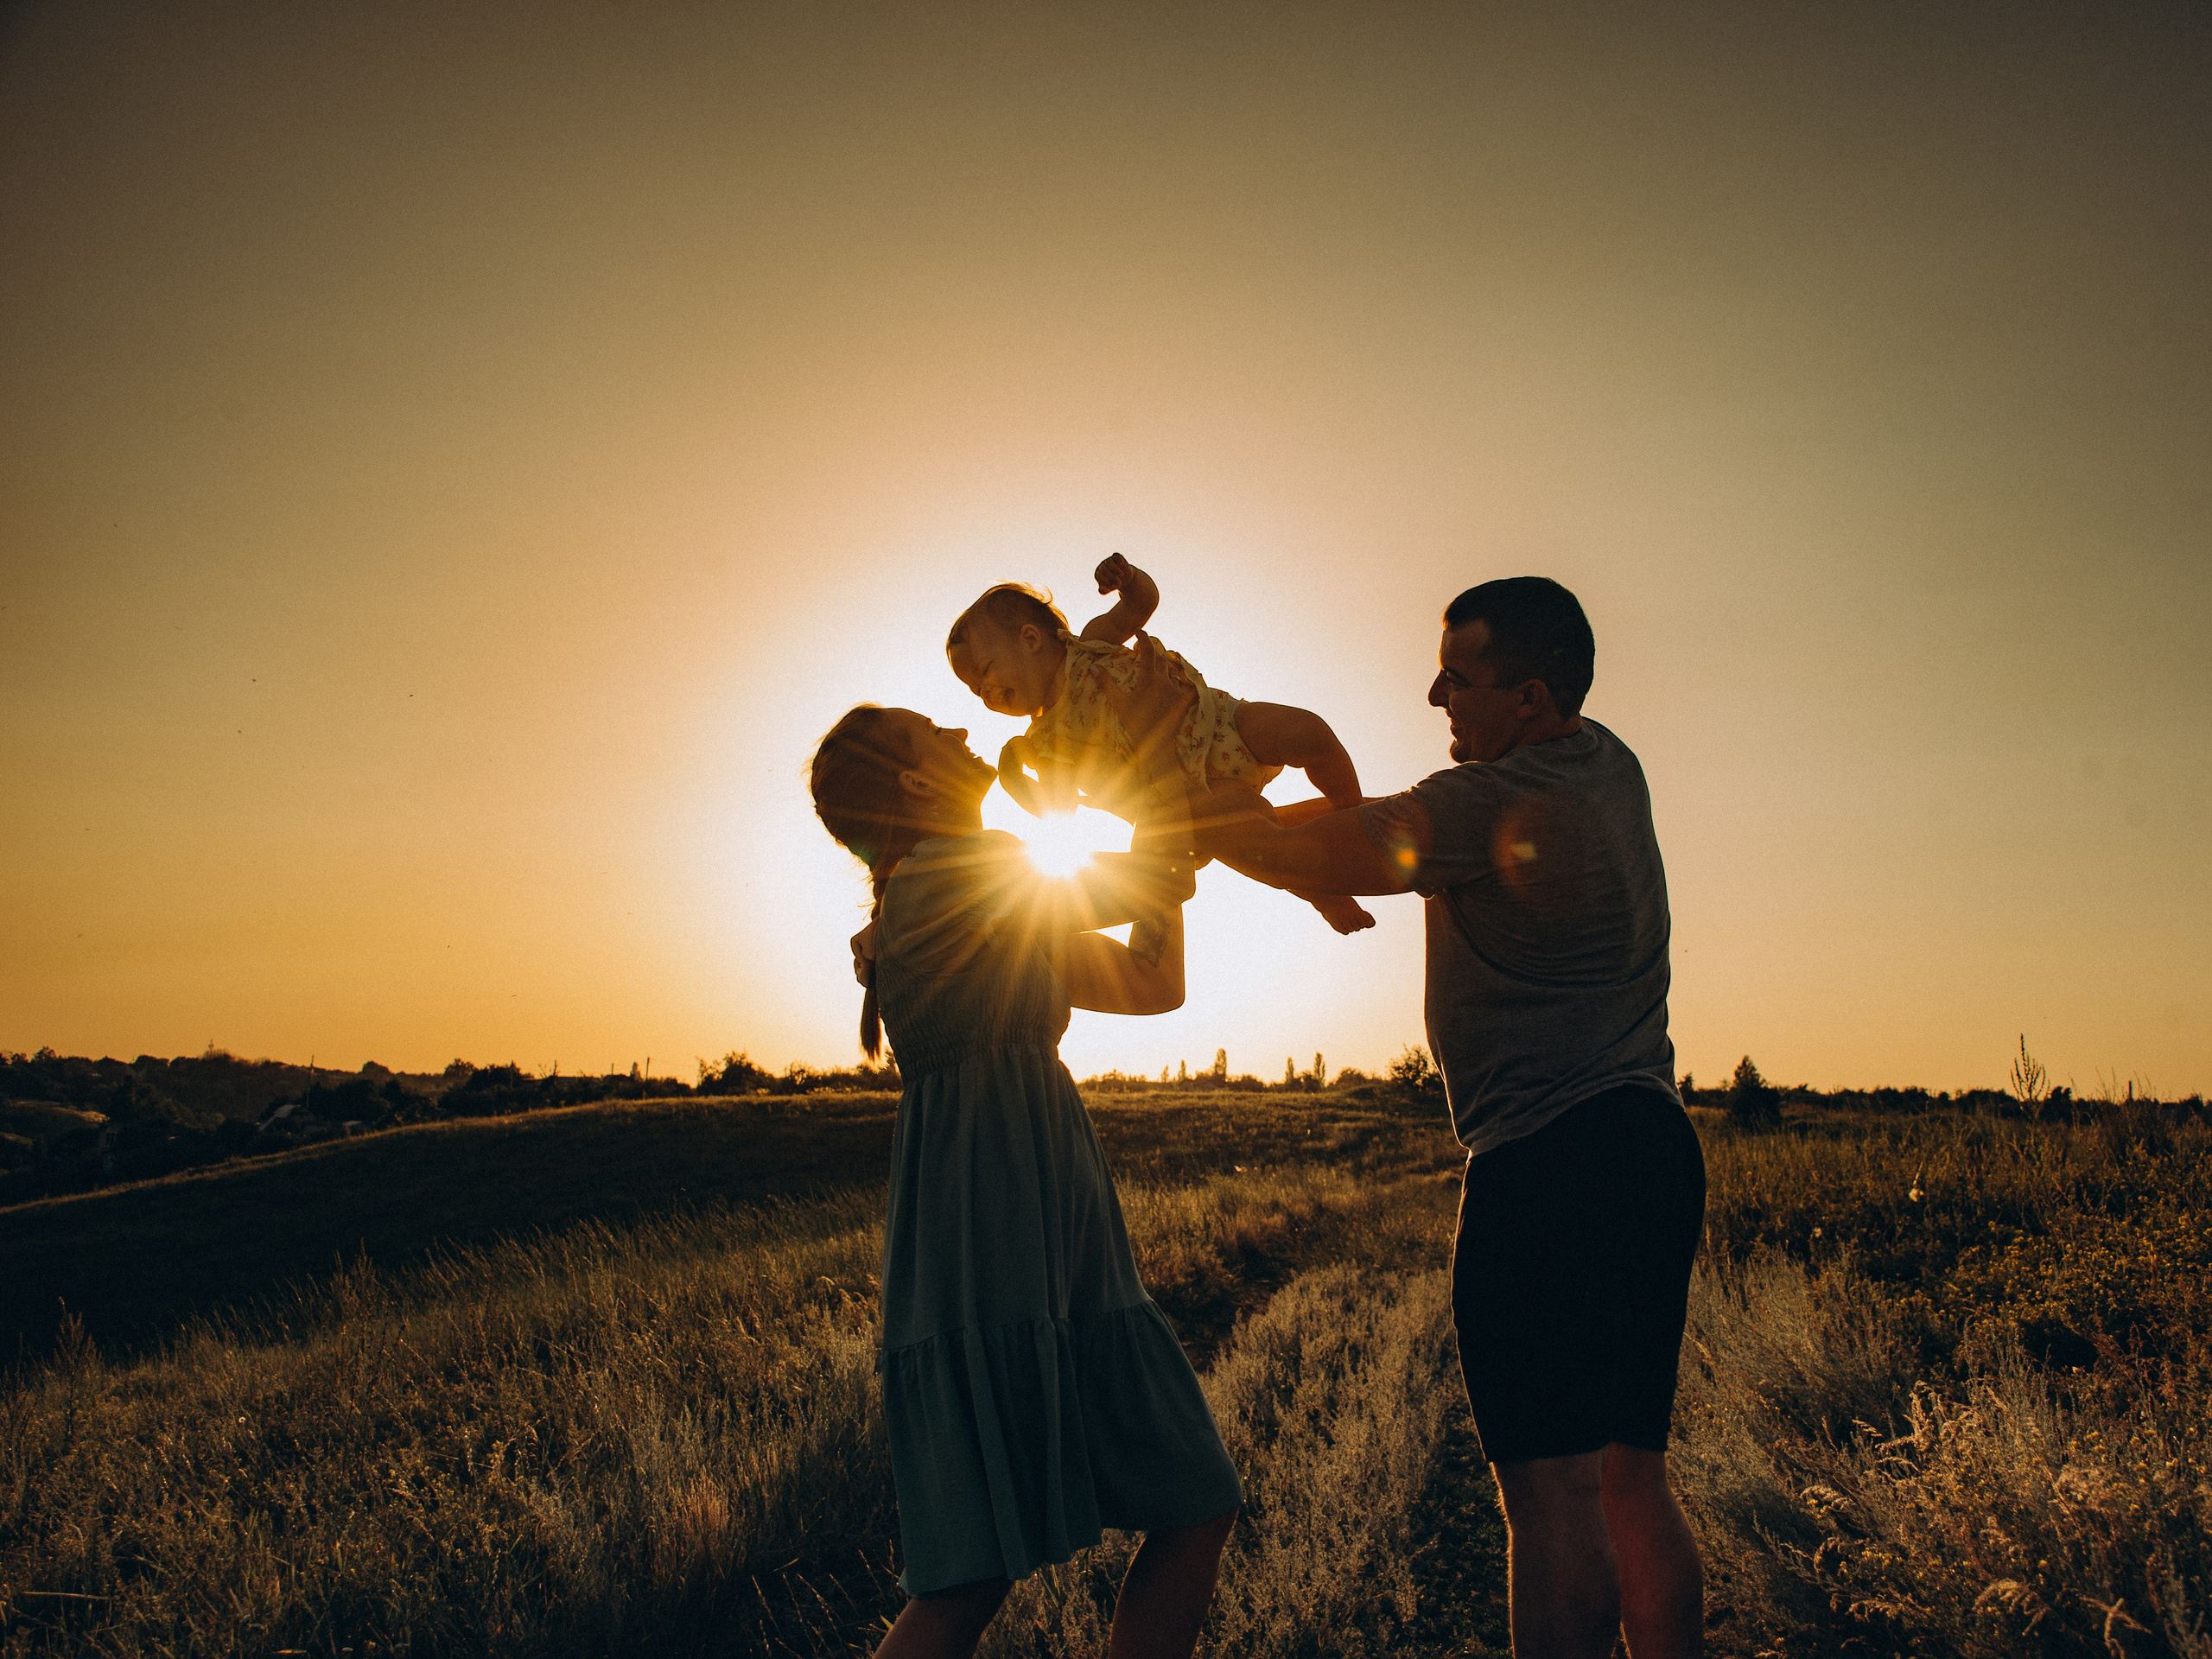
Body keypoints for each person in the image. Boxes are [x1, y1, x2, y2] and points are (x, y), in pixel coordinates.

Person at [1189, 577, 1706, 1659]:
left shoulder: (1499, 804)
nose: (1433, 695)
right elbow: (1355, 836)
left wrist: (1194, 801)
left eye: (1456, 677)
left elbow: (1332, 850)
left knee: (1550, 1495)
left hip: (1549, 1160)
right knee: (1625, 1479)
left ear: (1526, 695)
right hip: (1649, 1149)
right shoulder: (1607, 762)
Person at [808, 639, 1242, 1659]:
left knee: (1031, 1551)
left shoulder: (947, 893)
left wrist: (1156, 832)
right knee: (1016, 1560)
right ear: (918, 779)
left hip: (1024, 1216)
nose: (964, 731)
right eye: (936, 732)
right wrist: (1157, 769)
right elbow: (1145, 881)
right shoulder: (973, 872)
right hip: (1006, 1218)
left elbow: (1150, 983)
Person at [944, 552, 1376, 934]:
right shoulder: (1044, 744)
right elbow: (1060, 809)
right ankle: (1320, 889)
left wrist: (1128, 578)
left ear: (1031, 639)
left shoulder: (1091, 643)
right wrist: (1016, 778)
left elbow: (1141, 604)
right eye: (973, 690)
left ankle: (1353, 811)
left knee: (1306, 731)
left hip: (1221, 723)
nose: (983, 691)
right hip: (1192, 795)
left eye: (984, 671)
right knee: (1258, 841)